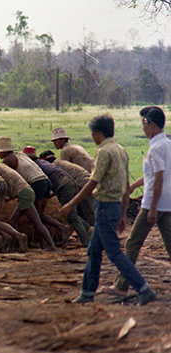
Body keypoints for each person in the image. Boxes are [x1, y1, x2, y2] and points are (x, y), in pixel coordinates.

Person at [60, 114, 156, 305]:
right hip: (113, 207)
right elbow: (126, 184)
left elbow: (92, 182)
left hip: (104, 206)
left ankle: (143, 288)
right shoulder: (121, 150)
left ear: (97, 133)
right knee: (94, 252)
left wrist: (71, 203)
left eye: (92, 133)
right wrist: (122, 214)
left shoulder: (104, 151)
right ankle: (87, 293)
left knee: (113, 252)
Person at [105, 107, 171, 297]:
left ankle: (121, 286)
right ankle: (121, 284)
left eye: (144, 123)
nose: (143, 128)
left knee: (132, 243)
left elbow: (158, 179)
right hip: (166, 203)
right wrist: (134, 185)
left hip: (153, 202)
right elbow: (153, 174)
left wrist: (151, 209)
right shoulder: (167, 144)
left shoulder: (155, 148)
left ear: (151, 123)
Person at [0, 137, 56, 250]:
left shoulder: (7, 161)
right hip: (45, 181)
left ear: (3, 151)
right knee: (36, 217)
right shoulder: (21, 155)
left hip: (35, 184)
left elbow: (11, 179)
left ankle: (49, 245)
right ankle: (43, 245)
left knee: (35, 220)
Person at [23, 146, 84, 246]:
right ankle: (62, 228)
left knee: (38, 216)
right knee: (41, 214)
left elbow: (36, 180)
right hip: (59, 183)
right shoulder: (44, 163)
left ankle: (44, 243)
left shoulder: (33, 166)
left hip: (54, 185)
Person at [39, 150, 95, 226]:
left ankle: (95, 234)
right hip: (83, 182)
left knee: (87, 212)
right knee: (80, 212)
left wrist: (44, 197)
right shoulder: (60, 163)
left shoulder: (53, 167)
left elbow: (60, 186)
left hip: (83, 184)